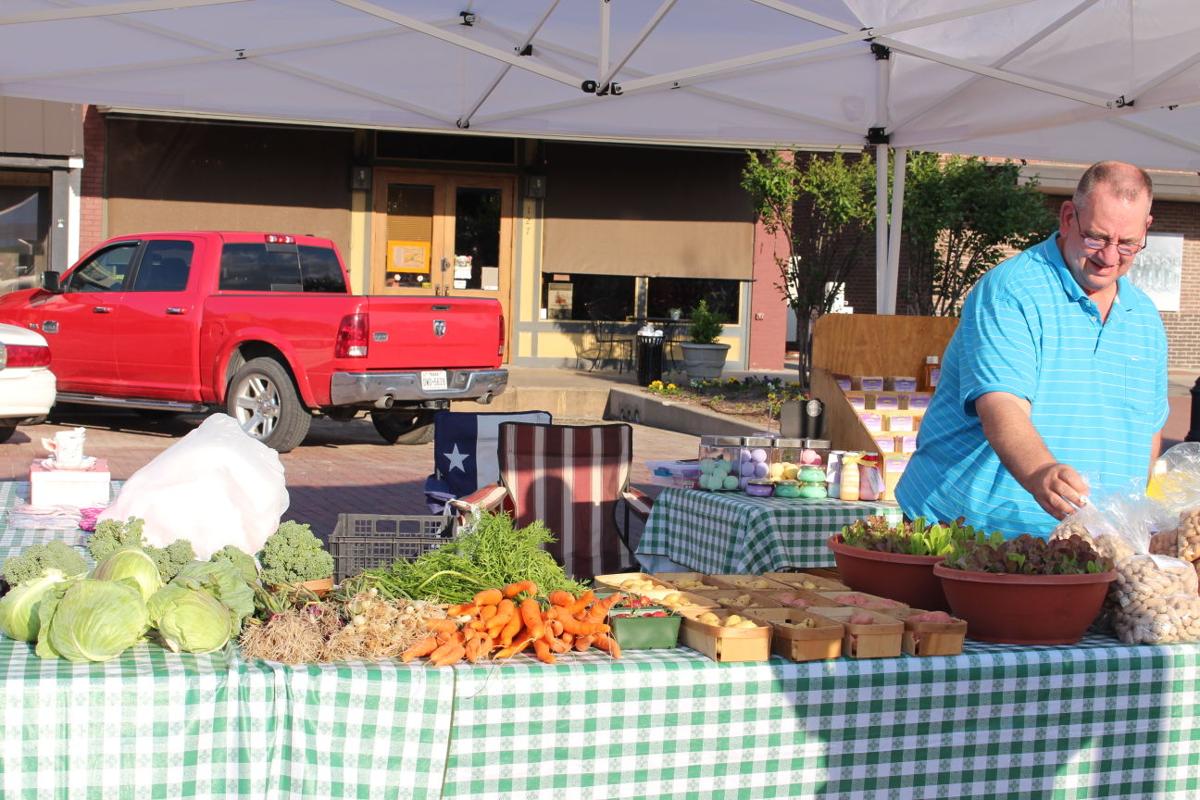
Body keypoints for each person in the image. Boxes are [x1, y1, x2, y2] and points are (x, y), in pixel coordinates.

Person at [896, 161, 1168, 538]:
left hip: (1093, 543)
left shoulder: (1145, 318)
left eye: (1127, 244)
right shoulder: (1012, 291)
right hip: (969, 533)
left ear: (1146, 229)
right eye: (1096, 238)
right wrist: (1041, 471)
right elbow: (1001, 405)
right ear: (1068, 218)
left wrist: (1135, 521)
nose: (1109, 257)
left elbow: (1147, 429)